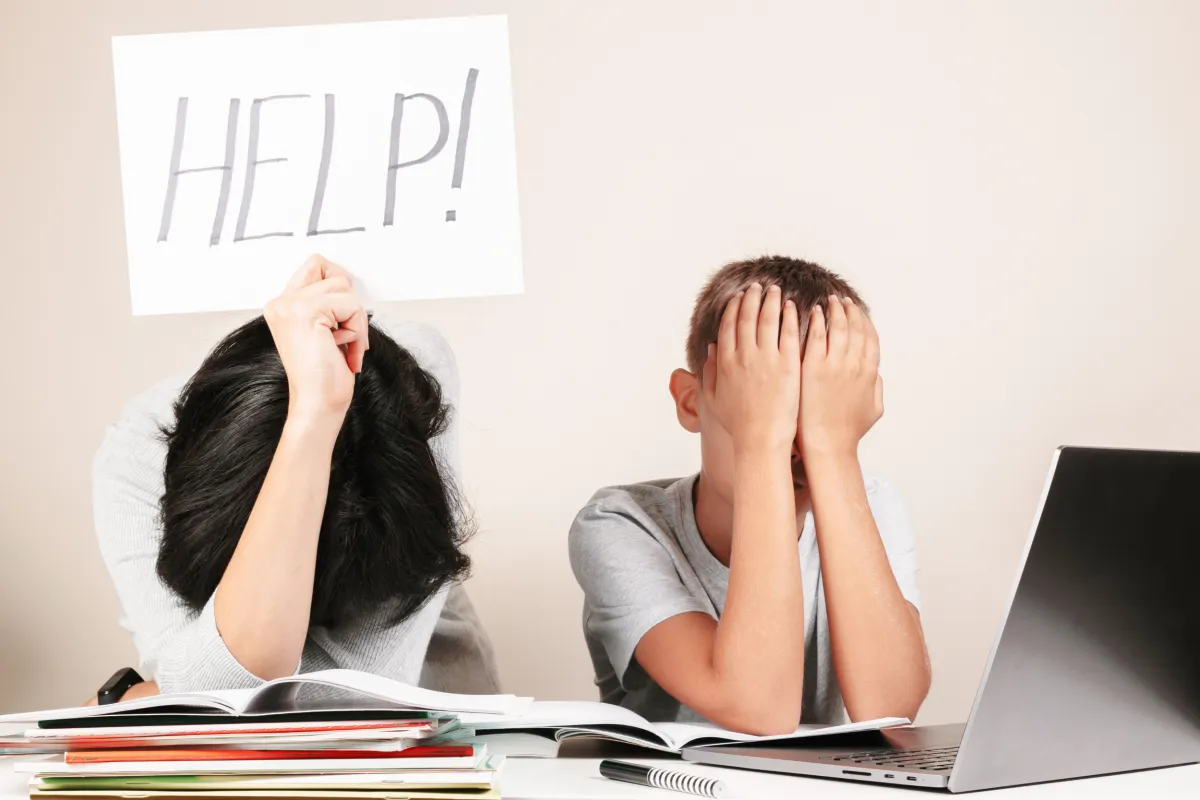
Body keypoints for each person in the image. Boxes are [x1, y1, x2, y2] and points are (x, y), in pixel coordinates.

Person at [91, 255, 499, 701]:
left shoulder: (408, 374)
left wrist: (137, 698)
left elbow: (360, 689)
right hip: (238, 761)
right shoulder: (139, 450)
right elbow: (217, 695)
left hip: (438, 705)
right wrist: (312, 415)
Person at [569, 256, 931, 735]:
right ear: (690, 400)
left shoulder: (870, 502)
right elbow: (759, 710)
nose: (798, 445)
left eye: (817, 417)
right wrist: (760, 441)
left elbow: (891, 709)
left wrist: (836, 451)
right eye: (768, 410)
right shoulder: (619, 526)